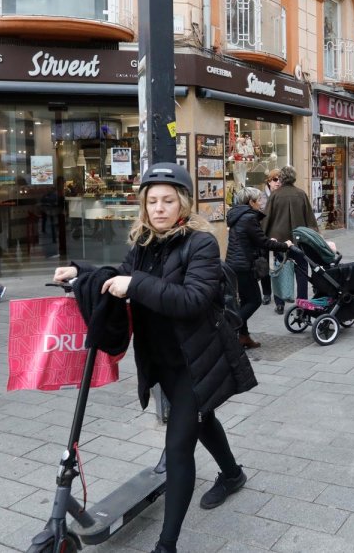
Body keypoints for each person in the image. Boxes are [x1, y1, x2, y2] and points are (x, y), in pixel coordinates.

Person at [53, 163, 255, 553]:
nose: (159, 208)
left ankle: (166, 545)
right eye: (151, 201)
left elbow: (193, 300)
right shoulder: (144, 243)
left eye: (167, 200)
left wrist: (137, 284)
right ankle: (232, 474)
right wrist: (81, 273)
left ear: (182, 202)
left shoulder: (201, 243)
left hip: (196, 361)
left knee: (179, 447)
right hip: (162, 359)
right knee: (201, 417)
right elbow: (121, 275)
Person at [226, 186, 290, 349]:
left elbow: (255, 239)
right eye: (259, 200)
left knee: (245, 300)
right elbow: (262, 242)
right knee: (254, 300)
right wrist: (285, 245)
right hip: (243, 265)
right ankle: (227, 330)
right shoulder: (248, 217)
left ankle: (244, 337)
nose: (261, 203)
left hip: (234, 263)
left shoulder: (238, 215)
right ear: (251, 202)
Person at [263, 165, 316, 315]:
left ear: (282, 178)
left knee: (279, 270)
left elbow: (267, 218)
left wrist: (263, 236)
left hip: (278, 239)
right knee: (302, 272)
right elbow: (309, 218)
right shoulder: (301, 194)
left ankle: (280, 304)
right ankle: (302, 304)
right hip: (299, 240)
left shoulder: (275, 195)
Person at [258, 170, 282, 305]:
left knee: (279, 265)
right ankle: (266, 293)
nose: (278, 182)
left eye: (280, 179)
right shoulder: (262, 196)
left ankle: (279, 295)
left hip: (279, 235)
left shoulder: (281, 195)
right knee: (264, 264)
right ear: (269, 181)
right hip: (264, 235)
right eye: (275, 179)